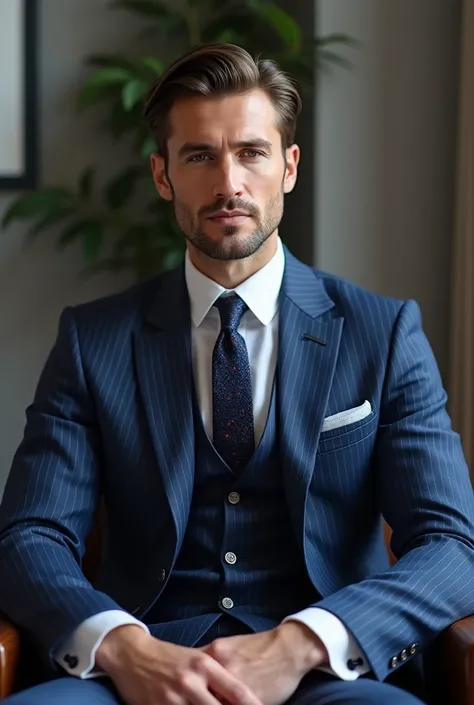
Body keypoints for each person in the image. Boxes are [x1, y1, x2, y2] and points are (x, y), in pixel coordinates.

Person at [0, 42, 473, 705]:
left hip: (329, 676)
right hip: (138, 670)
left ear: (288, 167)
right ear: (162, 174)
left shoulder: (381, 332)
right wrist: (122, 646)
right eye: (200, 156)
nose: (229, 183)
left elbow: (451, 543)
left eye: (252, 152)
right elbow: (31, 535)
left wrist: (304, 639)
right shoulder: (93, 339)